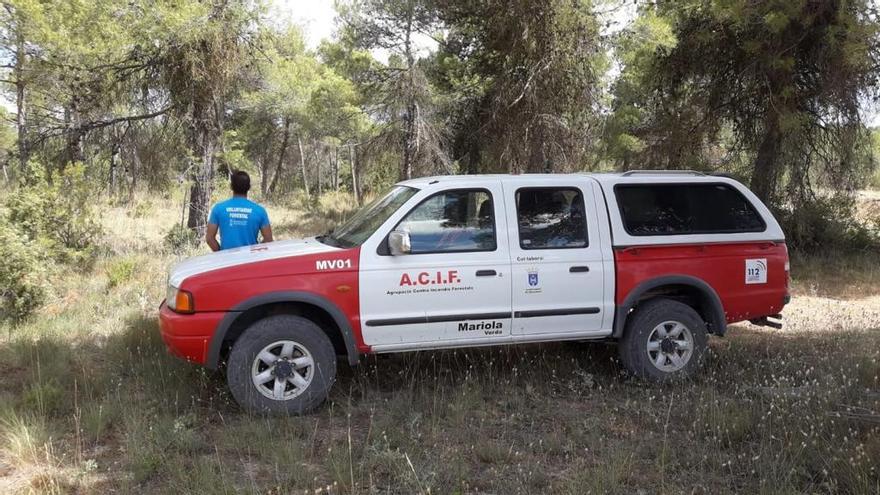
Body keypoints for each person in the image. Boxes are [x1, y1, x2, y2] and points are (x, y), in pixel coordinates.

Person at [206, 171, 273, 251]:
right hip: (250, 260)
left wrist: (221, 254)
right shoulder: (259, 211)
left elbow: (209, 238)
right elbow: (268, 239)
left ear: (231, 186)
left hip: (227, 261)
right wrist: (255, 252)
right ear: (249, 187)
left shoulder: (218, 209)